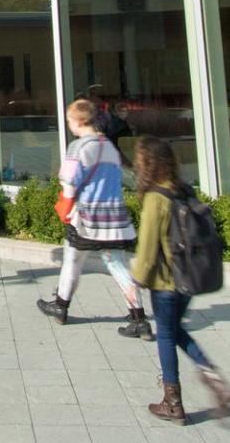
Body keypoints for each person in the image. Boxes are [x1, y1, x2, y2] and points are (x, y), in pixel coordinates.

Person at [131, 136, 230, 424]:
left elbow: (148, 246)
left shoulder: (156, 197)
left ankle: (173, 401)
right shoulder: (183, 190)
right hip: (189, 277)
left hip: (166, 280)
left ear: (146, 165)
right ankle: (211, 375)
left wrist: (135, 280)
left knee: (166, 334)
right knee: (176, 330)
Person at [38, 99, 146, 334]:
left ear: (77, 121)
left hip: (86, 217)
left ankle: (61, 306)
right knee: (117, 263)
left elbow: (68, 183)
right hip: (113, 216)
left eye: (68, 120)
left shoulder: (78, 148)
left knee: (72, 261)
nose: (68, 125)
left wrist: (65, 209)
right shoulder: (108, 145)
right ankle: (139, 318)